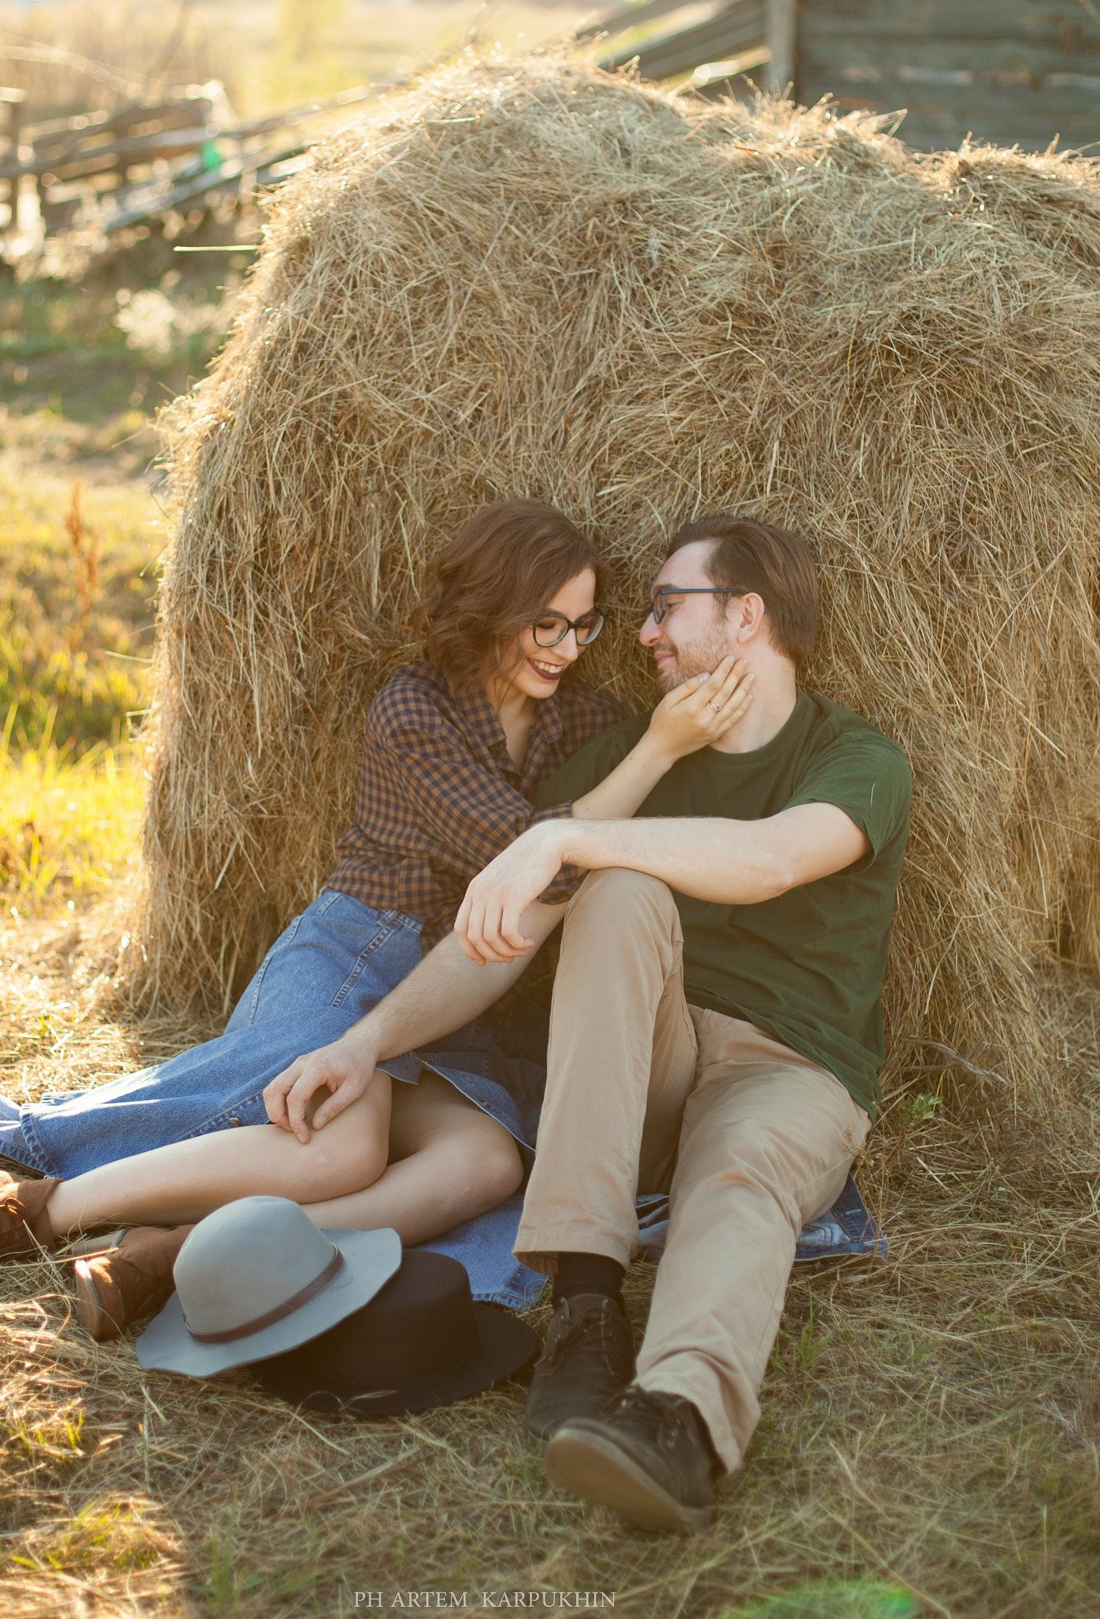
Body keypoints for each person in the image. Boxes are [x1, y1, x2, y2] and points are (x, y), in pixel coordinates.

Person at [0, 499, 753, 1343]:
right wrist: (658, 748)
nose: (566, 649)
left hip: (457, 1003)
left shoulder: (588, 722)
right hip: (359, 955)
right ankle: (39, 1208)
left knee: (486, 1164)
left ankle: (173, 1253)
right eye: (545, 625)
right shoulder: (415, 711)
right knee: (341, 1149)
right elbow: (538, 860)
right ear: (491, 608)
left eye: (583, 625)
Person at [267, 514, 910, 1533]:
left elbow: (773, 860)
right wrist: (365, 1041)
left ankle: (678, 1424)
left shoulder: (854, 756)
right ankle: (582, 1304)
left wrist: (568, 838)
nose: (643, 632)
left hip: (788, 1072)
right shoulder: (624, 757)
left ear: (745, 615)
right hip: (646, 1061)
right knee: (617, 893)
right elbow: (502, 941)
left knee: (738, 1175)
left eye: (666, 606)